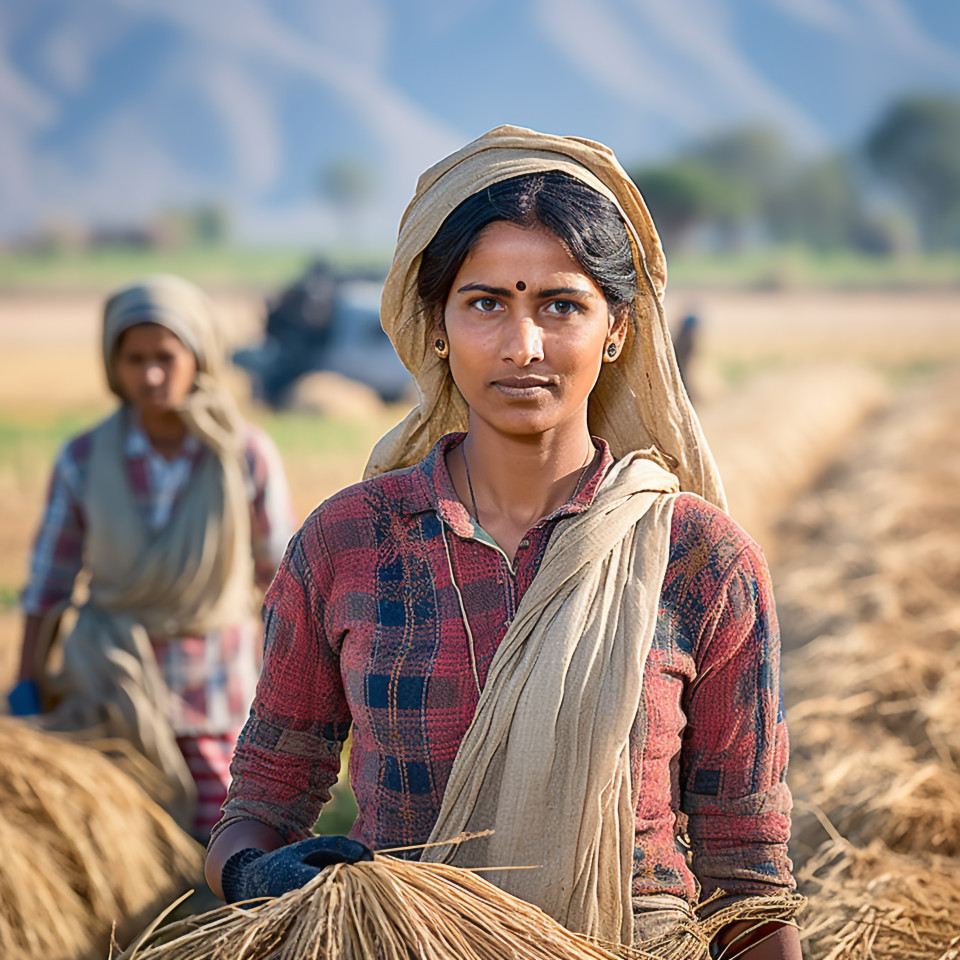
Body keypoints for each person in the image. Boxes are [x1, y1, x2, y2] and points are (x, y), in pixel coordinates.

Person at [205, 127, 801, 959]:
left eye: (561, 305)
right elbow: (261, 806)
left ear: (617, 329)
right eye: (485, 303)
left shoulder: (701, 562)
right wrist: (254, 877)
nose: (524, 347)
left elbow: (748, 877)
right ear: (438, 326)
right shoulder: (346, 546)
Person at [12, 275, 294, 841]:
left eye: (166, 357)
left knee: (227, 850)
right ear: (112, 364)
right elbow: (49, 584)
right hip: (107, 689)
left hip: (214, 692)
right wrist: (26, 683)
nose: (151, 375)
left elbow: (284, 588)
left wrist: (295, 698)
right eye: (134, 359)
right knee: (115, 855)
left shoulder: (243, 456)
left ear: (199, 357)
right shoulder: (86, 458)